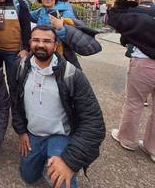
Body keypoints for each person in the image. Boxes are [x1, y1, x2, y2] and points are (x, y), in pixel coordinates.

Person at [11, 26, 105, 188]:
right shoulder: (20, 67)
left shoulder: (71, 74)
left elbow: (94, 122)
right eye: (36, 40)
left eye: (47, 41)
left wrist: (69, 161)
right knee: (28, 176)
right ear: (30, 43)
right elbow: (15, 101)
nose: (40, 45)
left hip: (60, 135)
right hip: (33, 133)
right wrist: (21, 131)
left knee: (61, 181)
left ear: (55, 45)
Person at [107, 0, 155, 162]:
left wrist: (125, 1)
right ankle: (153, 147)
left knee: (135, 102)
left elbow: (112, 18)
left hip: (145, 62)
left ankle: (127, 139)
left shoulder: (141, 15)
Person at [30, 0, 102, 69]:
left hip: (62, 54)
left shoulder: (65, 13)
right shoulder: (40, 12)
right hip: (42, 52)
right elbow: (25, 15)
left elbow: (72, 36)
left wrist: (60, 28)